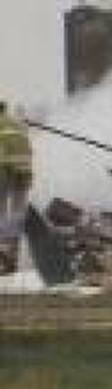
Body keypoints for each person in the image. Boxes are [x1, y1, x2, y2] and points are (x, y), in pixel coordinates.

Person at [0, 100, 32, 273]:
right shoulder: (17, 123)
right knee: (16, 216)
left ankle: (3, 258)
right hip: (24, 173)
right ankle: (12, 257)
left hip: (4, 170)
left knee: (1, 214)